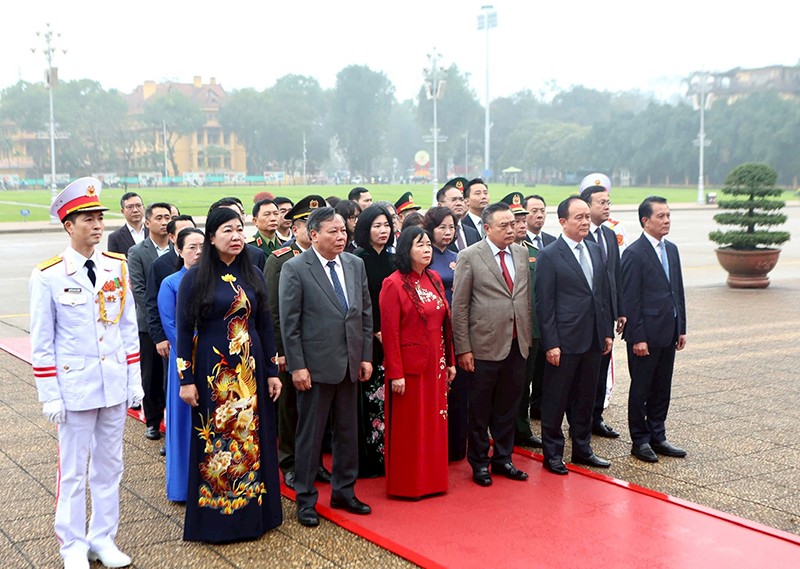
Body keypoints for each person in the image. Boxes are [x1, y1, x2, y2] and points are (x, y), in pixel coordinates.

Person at [30, 177, 143, 569]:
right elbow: (42, 342)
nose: (97, 225)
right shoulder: (49, 275)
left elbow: (127, 328)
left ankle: (103, 538)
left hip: (112, 383)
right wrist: (49, 394)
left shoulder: (117, 267)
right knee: (74, 471)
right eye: (87, 218)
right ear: (68, 225)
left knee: (110, 466)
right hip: (74, 386)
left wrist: (135, 382)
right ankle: (72, 545)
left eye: (99, 217)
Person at [174, 207, 283, 542]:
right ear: (211, 237)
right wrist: (186, 380)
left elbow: (264, 324)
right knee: (217, 440)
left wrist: (271, 371)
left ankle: (255, 514)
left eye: (239, 230)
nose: (236, 237)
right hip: (214, 374)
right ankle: (218, 516)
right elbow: (183, 330)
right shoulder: (196, 276)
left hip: (249, 370)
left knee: (251, 440)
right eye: (227, 231)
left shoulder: (253, 273)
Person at [279, 207, 374, 527]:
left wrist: (365, 356)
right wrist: (297, 366)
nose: (341, 236)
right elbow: (289, 324)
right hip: (314, 368)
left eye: (343, 231)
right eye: (333, 231)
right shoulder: (295, 268)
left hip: (350, 363)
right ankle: (305, 498)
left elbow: (363, 314)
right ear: (314, 234)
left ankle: (344, 491)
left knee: (348, 433)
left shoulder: (354, 264)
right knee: (310, 435)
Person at [452, 202, 533, 487]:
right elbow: (459, 307)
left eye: (513, 224)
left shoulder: (521, 254)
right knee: (480, 408)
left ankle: (503, 458)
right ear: (487, 228)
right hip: (483, 346)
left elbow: (523, 299)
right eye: (504, 226)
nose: (511, 229)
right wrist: (463, 348)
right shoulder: (470, 256)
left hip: (516, 343)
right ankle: (479, 462)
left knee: (508, 406)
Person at [535, 196, 614, 475]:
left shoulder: (594, 250)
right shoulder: (549, 255)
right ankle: (553, 454)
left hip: (592, 338)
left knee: (584, 398)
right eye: (578, 217)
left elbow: (600, 295)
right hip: (564, 341)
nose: (585, 222)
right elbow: (544, 304)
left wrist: (605, 332)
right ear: (563, 222)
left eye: (586, 217)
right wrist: (551, 343)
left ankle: (582, 448)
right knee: (556, 400)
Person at [380, 226, 456, 498]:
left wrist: (450, 361)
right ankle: (408, 484)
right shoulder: (394, 283)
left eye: (428, 245)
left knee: (435, 422)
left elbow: (445, 322)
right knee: (411, 425)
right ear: (406, 250)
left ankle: (434, 481)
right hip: (410, 367)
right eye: (419, 245)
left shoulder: (434, 278)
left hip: (436, 363)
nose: (426, 250)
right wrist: (395, 372)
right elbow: (390, 332)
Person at [263, 195, 331, 489]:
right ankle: (289, 462)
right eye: (305, 223)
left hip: (321, 348)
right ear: (296, 227)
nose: (310, 229)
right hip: (292, 349)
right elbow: (274, 311)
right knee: (290, 407)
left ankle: (314, 462)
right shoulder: (280, 260)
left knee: (316, 409)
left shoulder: (330, 258)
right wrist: (279, 351)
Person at [622, 196, 687, 463]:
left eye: (669, 215)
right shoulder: (634, 253)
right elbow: (630, 299)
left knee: (662, 387)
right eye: (661, 216)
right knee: (642, 388)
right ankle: (640, 439)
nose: (667, 220)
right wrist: (637, 337)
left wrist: (681, 326)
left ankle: (658, 435)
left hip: (668, 332)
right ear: (645, 221)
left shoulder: (671, 249)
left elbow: (677, 291)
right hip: (644, 336)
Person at [157, 227, 204, 502]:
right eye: (191, 248)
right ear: (179, 250)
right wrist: (197, 348)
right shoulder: (171, 283)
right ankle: (183, 487)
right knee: (185, 424)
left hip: (215, 361)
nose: (198, 253)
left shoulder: (213, 279)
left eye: (202, 247)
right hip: (187, 361)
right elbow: (172, 326)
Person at [578, 177, 627, 439]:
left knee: (601, 367)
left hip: (605, 315)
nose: (607, 206)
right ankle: (580, 421)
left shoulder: (609, 234)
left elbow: (615, 275)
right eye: (602, 202)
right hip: (582, 317)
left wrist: (620, 310)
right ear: (587, 206)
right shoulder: (579, 235)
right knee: (583, 373)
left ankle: (596, 417)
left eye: (609, 202)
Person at [353, 204, 396, 477]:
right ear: (365, 229)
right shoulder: (357, 259)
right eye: (376, 226)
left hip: (391, 338)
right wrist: (375, 330)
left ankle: (388, 453)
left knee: (387, 399)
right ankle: (368, 458)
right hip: (367, 339)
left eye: (386, 225)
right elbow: (358, 303)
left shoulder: (393, 260)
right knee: (368, 400)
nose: (383, 231)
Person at [499, 191, 544, 450]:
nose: (521, 224)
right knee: (506, 385)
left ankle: (521, 428)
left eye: (523, 219)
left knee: (524, 383)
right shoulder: (490, 254)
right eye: (516, 220)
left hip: (532, 329)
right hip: (504, 330)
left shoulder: (534, 252)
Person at [127, 202, 173, 442]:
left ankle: (172, 420)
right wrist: (159, 320)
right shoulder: (138, 252)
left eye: (167, 217)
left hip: (177, 324)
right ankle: (153, 421)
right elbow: (140, 291)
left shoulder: (178, 248)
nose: (164, 221)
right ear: (147, 223)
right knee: (152, 375)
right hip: (150, 325)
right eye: (159, 217)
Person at [523, 194, 556, 421]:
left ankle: (539, 409)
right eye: (533, 210)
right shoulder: (517, 243)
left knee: (546, 372)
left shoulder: (553, 241)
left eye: (542, 210)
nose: (539, 215)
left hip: (549, 320)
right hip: (528, 322)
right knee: (527, 373)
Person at [208, 197, 268, 271]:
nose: (235, 237)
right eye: (227, 231)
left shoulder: (256, 257)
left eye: (238, 214)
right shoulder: (197, 263)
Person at [437, 177, 480, 253]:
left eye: (461, 199)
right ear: (440, 205)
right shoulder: (435, 233)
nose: (459, 203)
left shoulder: (473, 233)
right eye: (453, 200)